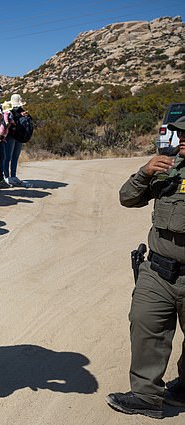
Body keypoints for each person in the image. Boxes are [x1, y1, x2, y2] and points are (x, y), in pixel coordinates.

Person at [107, 115, 185, 419]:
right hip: (159, 271)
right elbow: (127, 198)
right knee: (145, 325)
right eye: (179, 135)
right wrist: (143, 173)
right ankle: (146, 395)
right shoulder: (167, 168)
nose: (181, 140)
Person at [4, 94, 32, 188]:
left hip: (15, 135)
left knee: (13, 156)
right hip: (13, 135)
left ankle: (12, 176)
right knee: (9, 157)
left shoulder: (19, 110)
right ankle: (7, 176)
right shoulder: (9, 110)